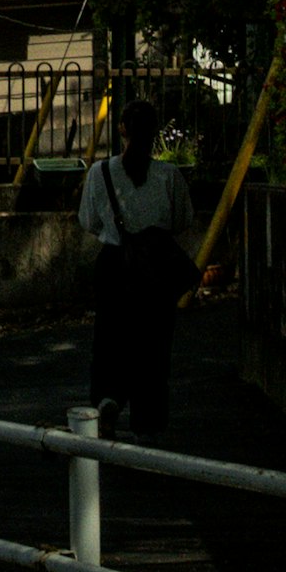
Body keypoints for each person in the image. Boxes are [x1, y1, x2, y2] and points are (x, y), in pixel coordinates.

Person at [81, 101, 201, 441]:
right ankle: (148, 422)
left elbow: (88, 222)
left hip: (114, 265)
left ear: (121, 129)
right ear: (155, 132)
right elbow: (182, 221)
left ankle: (108, 398)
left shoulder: (99, 173)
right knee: (153, 344)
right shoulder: (169, 176)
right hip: (156, 269)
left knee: (109, 340)